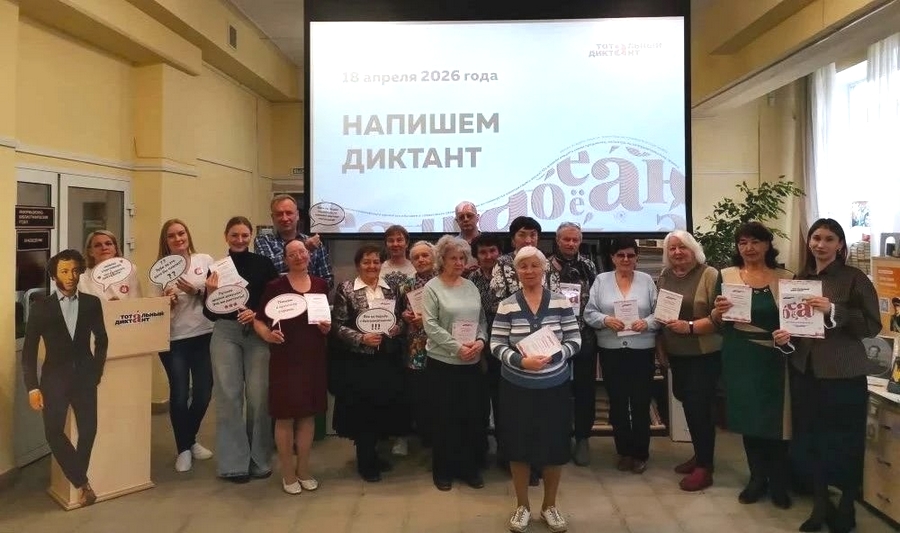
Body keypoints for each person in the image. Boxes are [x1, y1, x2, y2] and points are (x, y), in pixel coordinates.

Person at [772, 218, 880, 533]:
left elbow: (871, 326)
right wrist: (784, 340)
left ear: (840, 245)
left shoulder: (853, 278)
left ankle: (846, 504)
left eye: (829, 239)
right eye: (816, 238)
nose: (821, 244)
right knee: (811, 441)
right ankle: (820, 504)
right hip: (806, 373)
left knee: (845, 441)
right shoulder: (798, 280)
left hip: (843, 373)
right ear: (809, 242)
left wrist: (833, 310)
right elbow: (795, 328)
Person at [490, 246, 581, 533]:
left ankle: (549, 506)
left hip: (554, 387)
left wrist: (555, 356)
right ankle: (522, 507)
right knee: (518, 448)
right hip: (516, 388)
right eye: (523, 266)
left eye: (534, 265)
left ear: (544, 269)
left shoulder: (561, 302)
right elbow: (496, 344)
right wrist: (521, 361)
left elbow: (575, 339)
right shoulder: (506, 305)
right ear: (516, 272)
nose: (529, 271)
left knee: (555, 447)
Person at [710, 222, 793, 508]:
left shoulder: (786, 277)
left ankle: (779, 482)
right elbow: (716, 320)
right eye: (743, 242)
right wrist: (718, 312)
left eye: (755, 242)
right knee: (749, 418)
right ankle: (756, 479)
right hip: (740, 355)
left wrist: (790, 334)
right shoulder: (726, 275)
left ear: (767, 244)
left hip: (775, 357)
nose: (749, 248)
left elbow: (797, 320)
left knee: (777, 421)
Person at [22, 249, 107, 507]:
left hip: (85, 377)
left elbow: (102, 340)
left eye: (75, 270)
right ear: (54, 275)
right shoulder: (40, 308)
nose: (70, 276)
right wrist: (32, 388)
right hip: (54, 379)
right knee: (53, 432)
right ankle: (82, 483)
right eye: (64, 271)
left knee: (89, 430)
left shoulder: (92, 303)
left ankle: (79, 481)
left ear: (80, 271)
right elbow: (28, 353)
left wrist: (96, 371)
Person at [203, 216, 279, 483]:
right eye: (234, 235)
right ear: (226, 236)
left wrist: (256, 314)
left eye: (245, 235)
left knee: (259, 397)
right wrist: (210, 293)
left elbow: (273, 302)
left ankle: (259, 460)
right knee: (228, 396)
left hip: (257, 332)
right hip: (226, 333)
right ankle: (233, 464)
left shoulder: (264, 264)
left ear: (251, 237)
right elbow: (209, 314)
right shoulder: (216, 269)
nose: (240, 240)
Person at [254, 240, 331, 495]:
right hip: (285, 359)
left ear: (309, 255)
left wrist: (326, 328)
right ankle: (288, 473)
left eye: (302, 252)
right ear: (285, 259)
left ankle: (304, 470)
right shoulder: (275, 287)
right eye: (292, 254)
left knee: (308, 416)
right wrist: (267, 335)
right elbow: (259, 320)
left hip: (313, 358)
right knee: (285, 417)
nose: (298, 256)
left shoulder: (320, 285)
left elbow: (325, 322)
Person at [331, 244, 406, 482]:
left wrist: (396, 329)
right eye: (366, 262)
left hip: (386, 359)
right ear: (358, 265)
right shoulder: (346, 289)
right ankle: (365, 462)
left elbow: (401, 318)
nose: (372, 266)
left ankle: (375, 455)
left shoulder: (392, 288)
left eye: (376, 261)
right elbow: (337, 325)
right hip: (359, 361)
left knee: (382, 408)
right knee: (362, 412)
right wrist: (361, 338)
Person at [583, 237, 658, 474]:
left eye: (630, 255)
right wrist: (605, 319)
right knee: (617, 403)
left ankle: (640, 453)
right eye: (620, 255)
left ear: (637, 257)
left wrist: (646, 323)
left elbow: (660, 314)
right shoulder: (601, 280)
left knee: (640, 402)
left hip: (642, 350)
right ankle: (624, 451)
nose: (626, 259)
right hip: (611, 350)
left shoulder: (646, 280)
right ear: (612, 258)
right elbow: (589, 313)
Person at [422, 235, 489, 491]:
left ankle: (469, 468)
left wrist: (480, 341)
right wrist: (457, 348)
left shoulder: (471, 286)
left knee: (471, 418)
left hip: (471, 363)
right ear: (442, 260)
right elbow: (430, 325)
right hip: (442, 364)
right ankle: (443, 471)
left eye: (462, 258)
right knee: (444, 419)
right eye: (453, 258)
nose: (459, 262)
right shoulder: (432, 288)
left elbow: (481, 320)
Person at [656, 230, 722, 492]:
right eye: (672, 248)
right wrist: (661, 347)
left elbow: (720, 317)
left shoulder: (709, 274)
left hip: (703, 353)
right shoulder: (665, 276)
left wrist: (691, 327)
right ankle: (700, 455)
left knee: (700, 409)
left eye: (682, 247)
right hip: (676, 352)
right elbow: (661, 315)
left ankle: (705, 467)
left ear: (694, 249)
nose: (677, 252)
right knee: (687, 404)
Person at [155, 219, 215, 473]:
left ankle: (188, 439)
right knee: (179, 395)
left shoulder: (205, 260)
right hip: (174, 340)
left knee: (203, 393)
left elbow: (218, 296)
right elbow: (154, 310)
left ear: (188, 235)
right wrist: (165, 303)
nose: (178, 238)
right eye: (172, 236)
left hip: (205, 335)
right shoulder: (159, 271)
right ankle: (184, 449)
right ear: (166, 241)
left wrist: (197, 291)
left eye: (181, 233)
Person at [489, 215, 543, 483]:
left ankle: (538, 459)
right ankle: (511, 457)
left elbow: (556, 301)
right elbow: (497, 301)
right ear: (513, 239)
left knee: (539, 412)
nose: (528, 239)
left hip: (543, 350)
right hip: (512, 348)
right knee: (513, 412)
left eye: (533, 234)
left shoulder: (544, 262)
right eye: (522, 234)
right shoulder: (502, 264)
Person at [546, 222, 598, 466]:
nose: (570, 244)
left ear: (580, 241)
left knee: (585, 389)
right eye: (566, 239)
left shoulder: (589, 265)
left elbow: (595, 298)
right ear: (557, 241)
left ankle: (583, 438)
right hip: (555, 338)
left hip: (584, 335)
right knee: (557, 389)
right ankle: (559, 437)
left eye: (575, 240)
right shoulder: (545, 266)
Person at [396, 240, 437, 452]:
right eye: (416, 257)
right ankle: (425, 435)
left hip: (441, 346)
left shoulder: (443, 281)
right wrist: (404, 316)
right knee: (420, 394)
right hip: (416, 347)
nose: (421, 260)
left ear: (434, 257)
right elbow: (398, 315)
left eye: (425, 255)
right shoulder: (405, 285)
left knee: (439, 393)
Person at [466, 233, 503, 464]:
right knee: (478, 401)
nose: (488, 256)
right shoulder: (470, 279)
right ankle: (479, 452)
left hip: (505, 346)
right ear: (476, 256)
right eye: (482, 252)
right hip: (477, 344)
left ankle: (505, 451)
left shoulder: (511, 275)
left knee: (502, 402)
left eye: (492, 251)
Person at [253, 194, 333, 286]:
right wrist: (305, 248)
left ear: (297, 215)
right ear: (273, 218)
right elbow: (267, 269)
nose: (285, 218)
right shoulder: (263, 240)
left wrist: (307, 289)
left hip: (311, 294)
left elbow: (327, 279)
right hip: (277, 294)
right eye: (279, 214)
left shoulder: (316, 244)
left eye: (289, 213)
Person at [79, 230, 143, 300]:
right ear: (90, 252)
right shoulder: (82, 277)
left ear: (115, 248)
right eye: (98, 245)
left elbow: (136, 300)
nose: (104, 248)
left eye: (108, 244)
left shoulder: (130, 269)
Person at [380, 224, 416, 295]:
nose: (395, 244)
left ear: (407, 243)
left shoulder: (415, 268)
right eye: (391, 241)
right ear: (386, 244)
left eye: (399, 240)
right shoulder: (379, 268)